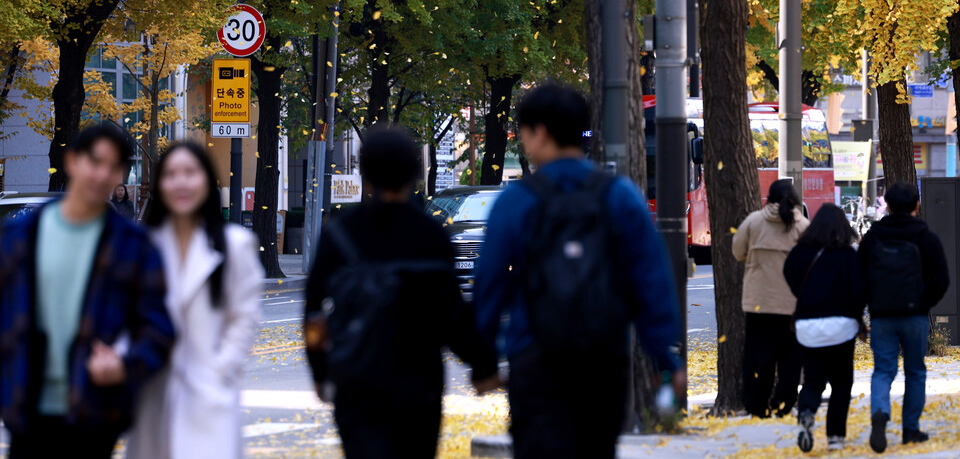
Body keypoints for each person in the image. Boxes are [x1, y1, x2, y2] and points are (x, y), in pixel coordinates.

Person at [474, 84, 684, 459]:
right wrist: (665, 362)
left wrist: (484, 362)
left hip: (534, 360)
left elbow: (489, 284)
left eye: (523, 133)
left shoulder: (516, 201)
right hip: (603, 360)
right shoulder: (620, 196)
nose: (523, 142)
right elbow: (651, 283)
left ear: (540, 133)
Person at [304, 127, 498, 459]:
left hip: (357, 382)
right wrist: (483, 366)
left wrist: (320, 372)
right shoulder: (431, 235)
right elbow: (452, 314)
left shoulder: (340, 234)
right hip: (417, 382)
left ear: (365, 173)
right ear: (413, 174)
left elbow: (313, 312)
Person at [0, 123, 175, 459]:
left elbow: (160, 330)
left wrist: (126, 365)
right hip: (24, 404)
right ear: (72, 162)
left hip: (96, 411)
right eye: (95, 161)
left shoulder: (132, 245)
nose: (102, 174)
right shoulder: (20, 236)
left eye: (113, 166)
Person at [126, 142, 264, 459]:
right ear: (159, 184)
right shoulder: (144, 246)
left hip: (208, 395)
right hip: (152, 394)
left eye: (191, 172)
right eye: (171, 174)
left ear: (207, 180)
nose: (181, 183)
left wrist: (219, 369)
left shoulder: (235, 245)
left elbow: (244, 318)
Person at [859, 182, 949, 453]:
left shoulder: (873, 237)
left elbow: (858, 278)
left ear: (886, 205)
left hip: (882, 316)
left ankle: (880, 411)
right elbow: (941, 280)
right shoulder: (926, 237)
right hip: (914, 316)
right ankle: (910, 429)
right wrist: (923, 303)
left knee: (883, 370)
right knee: (915, 371)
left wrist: (863, 311)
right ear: (917, 205)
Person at [784, 204, 865, 453]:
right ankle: (835, 436)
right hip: (842, 326)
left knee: (812, 380)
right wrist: (859, 320)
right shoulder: (848, 255)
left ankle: (806, 413)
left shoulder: (799, 253)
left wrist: (804, 297)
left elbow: (789, 275)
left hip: (809, 326)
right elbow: (859, 291)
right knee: (841, 382)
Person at [733, 179, 808, 418]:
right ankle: (783, 403)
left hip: (759, 303)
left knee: (758, 357)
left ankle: (757, 406)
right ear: (794, 200)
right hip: (791, 304)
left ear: (769, 198)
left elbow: (738, 251)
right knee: (790, 358)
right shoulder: (802, 225)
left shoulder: (753, 221)